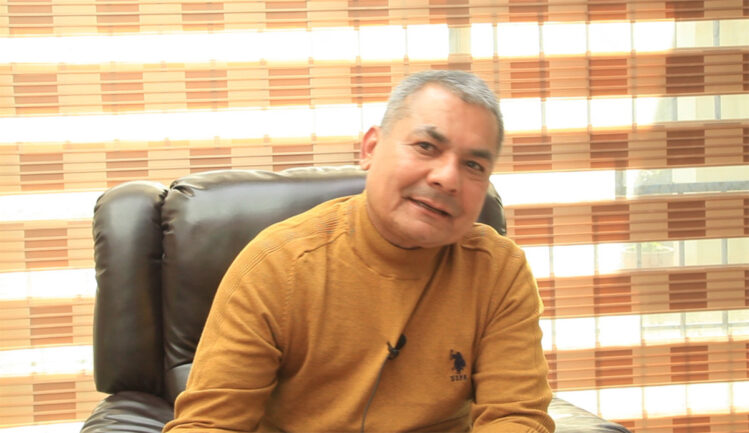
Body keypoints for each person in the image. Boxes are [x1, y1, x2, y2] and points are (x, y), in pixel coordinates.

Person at [163, 70, 554, 433]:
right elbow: (209, 425)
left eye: (473, 165)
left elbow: (516, 416)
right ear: (371, 148)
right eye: (426, 146)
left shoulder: (498, 270)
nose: (448, 178)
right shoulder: (278, 266)